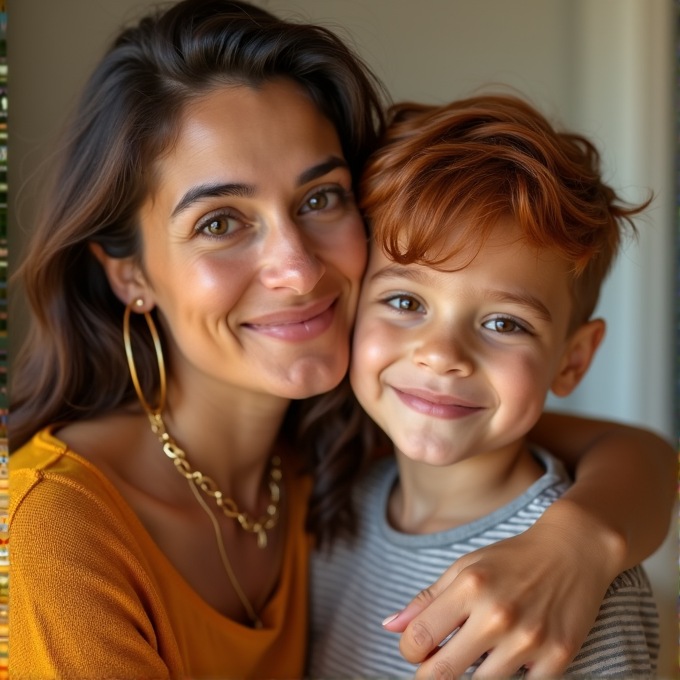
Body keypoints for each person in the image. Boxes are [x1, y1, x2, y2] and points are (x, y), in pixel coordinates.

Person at [8, 2, 675, 678]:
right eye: (219, 223)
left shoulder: (341, 450)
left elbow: (636, 455)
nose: (297, 270)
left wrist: (578, 543)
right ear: (131, 274)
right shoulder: (58, 533)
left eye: (320, 198)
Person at [309, 95, 662, 679]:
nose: (443, 356)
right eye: (405, 301)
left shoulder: (579, 592)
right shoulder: (338, 508)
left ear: (572, 361)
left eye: (505, 323)